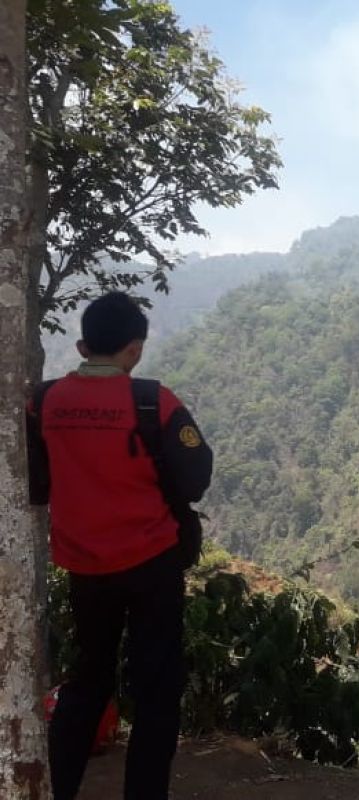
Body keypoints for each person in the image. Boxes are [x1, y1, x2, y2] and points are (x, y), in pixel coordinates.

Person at [27, 291, 213, 800]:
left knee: (87, 681)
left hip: (84, 566)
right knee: (155, 689)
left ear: (84, 345)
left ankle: (57, 788)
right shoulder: (154, 401)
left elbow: (35, 482)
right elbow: (196, 479)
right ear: (135, 349)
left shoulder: (43, 402)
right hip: (151, 564)